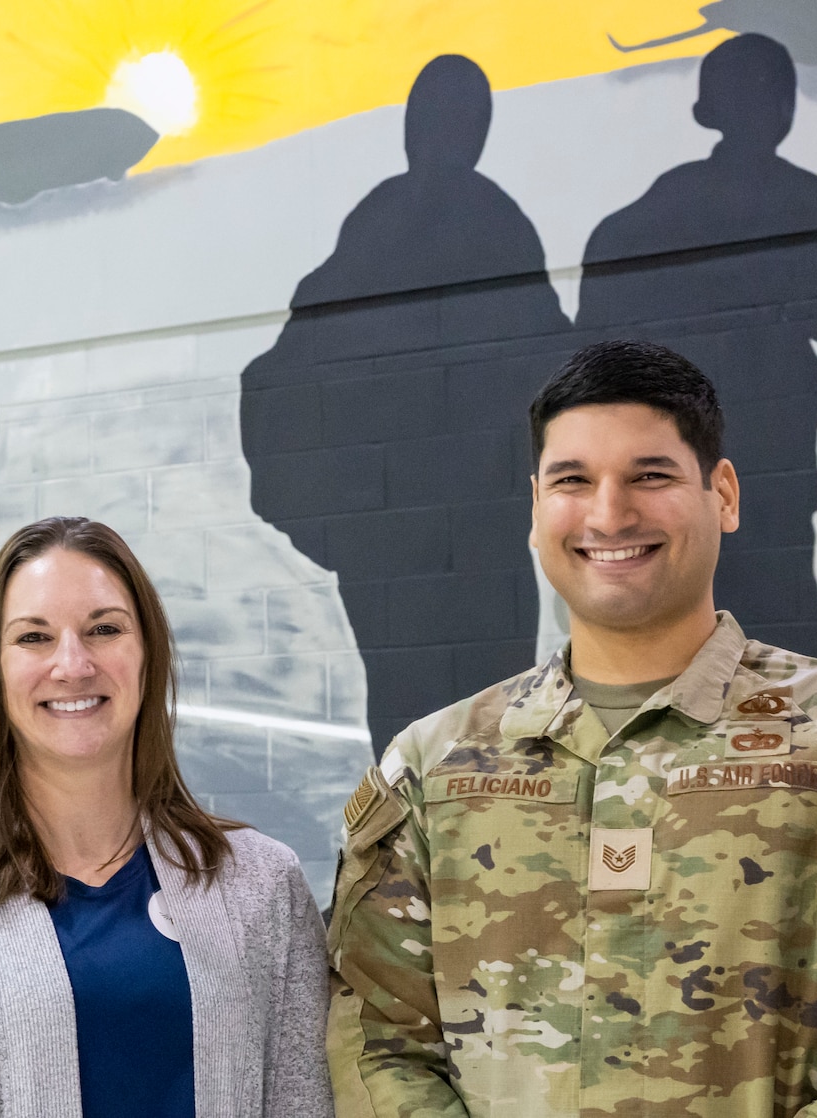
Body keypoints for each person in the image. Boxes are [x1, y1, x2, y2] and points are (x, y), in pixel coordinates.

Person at [326, 340, 817, 1118]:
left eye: (650, 475)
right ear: (536, 509)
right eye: (572, 481)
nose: (610, 514)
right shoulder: (434, 765)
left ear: (723, 494)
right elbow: (376, 1044)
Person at [0, 516, 332, 1118]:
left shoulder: (263, 884)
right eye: (34, 638)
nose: (73, 664)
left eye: (104, 629)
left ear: (148, 654)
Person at [577, 34, 817, 662]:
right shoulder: (797, 202)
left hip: (683, 483)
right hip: (753, 479)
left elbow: (588, 342)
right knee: (787, 650)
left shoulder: (649, 215)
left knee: (734, 645)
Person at [239, 54, 571, 748]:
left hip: (403, 544)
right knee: (487, 725)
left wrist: (325, 518)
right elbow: (553, 364)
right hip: (461, 535)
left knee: (411, 722)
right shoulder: (489, 222)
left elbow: (280, 368)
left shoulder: (388, 227)